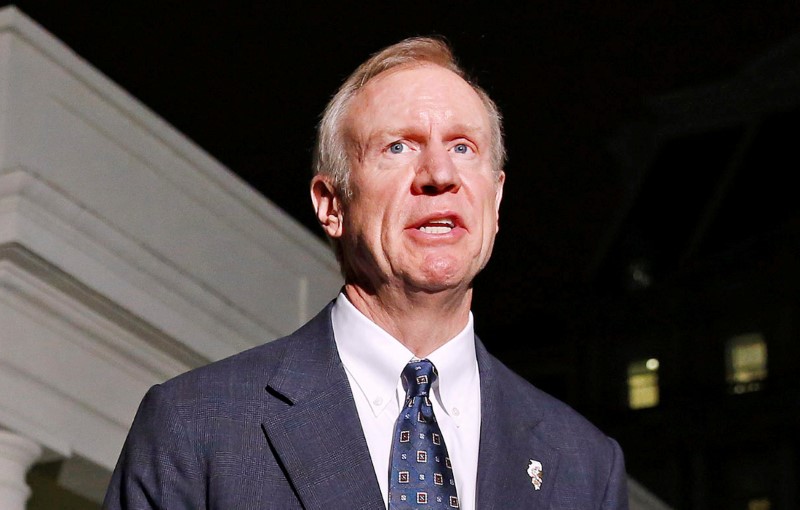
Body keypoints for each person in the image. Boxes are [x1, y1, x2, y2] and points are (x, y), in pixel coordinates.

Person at [103, 36, 629, 509]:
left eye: (463, 148)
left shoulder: (584, 465)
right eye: (398, 147)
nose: (440, 174)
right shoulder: (195, 425)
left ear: (496, 200)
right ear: (331, 204)